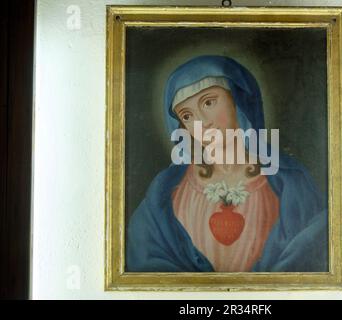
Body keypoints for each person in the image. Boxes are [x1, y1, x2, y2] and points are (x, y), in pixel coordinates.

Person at [126, 55, 328, 272]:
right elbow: (145, 261)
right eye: (187, 116)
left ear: (238, 100)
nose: (202, 122)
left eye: (209, 102)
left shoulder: (291, 182)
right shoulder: (165, 192)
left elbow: (313, 256)